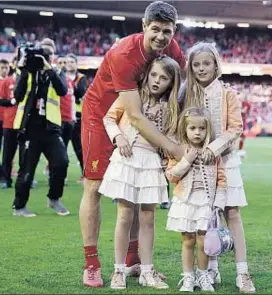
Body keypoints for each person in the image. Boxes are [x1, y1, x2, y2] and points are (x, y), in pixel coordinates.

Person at [79, 1, 186, 287]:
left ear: (174, 31)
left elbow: (183, 96)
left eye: (168, 31)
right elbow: (135, 116)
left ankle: (134, 261)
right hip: (104, 114)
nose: (161, 38)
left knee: (140, 186)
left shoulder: (173, 51)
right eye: (156, 30)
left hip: (142, 121)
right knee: (94, 184)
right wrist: (172, 149)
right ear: (143, 26)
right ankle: (92, 263)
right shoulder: (124, 54)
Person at [100, 56, 181, 289]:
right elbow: (108, 118)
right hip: (126, 159)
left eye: (164, 78)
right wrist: (118, 136)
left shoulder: (170, 107)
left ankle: (147, 271)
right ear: (147, 74)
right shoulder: (131, 95)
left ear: (171, 83)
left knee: (148, 218)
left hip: (151, 164)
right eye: (154, 75)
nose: (157, 81)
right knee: (125, 215)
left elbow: (170, 137)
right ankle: (118, 271)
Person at [182, 42, 256, 293]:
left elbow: (236, 128)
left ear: (216, 65)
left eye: (206, 63)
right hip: (197, 165)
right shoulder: (186, 94)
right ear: (190, 68)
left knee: (232, 213)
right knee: (204, 218)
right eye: (196, 64)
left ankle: (242, 273)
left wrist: (213, 149)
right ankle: (211, 268)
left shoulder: (227, 94)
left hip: (225, 159)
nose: (202, 68)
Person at [166, 107, 227, 292]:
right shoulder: (180, 151)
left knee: (203, 242)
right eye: (192, 128)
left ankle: (203, 275)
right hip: (185, 202)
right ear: (185, 129)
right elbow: (171, 175)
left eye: (201, 128)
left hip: (205, 203)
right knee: (188, 241)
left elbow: (221, 179)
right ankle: (188, 278)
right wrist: (186, 161)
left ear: (207, 130)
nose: (197, 132)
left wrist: (219, 204)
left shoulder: (213, 153)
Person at [12, 38, 70, 217]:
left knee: (62, 162)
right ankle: (19, 207)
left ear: (54, 55)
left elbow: (62, 91)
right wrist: (22, 70)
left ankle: (54, 198)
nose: (46, 57)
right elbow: (18, 95)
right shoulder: (27, 72)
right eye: (43, 53)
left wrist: (49, 70)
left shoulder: (57, 71)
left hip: (51, 128)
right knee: (27, 170)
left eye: (50, 54)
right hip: (29, 128)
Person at [0, 58, 23, 189]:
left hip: (26, 123)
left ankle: (24, 179)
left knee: (26, 154)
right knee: (8, 153)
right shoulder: (7, 81)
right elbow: (0, 101)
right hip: (10, 123)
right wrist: (13, 101)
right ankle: (6, 179)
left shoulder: (31, 81)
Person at [66, 54, 87, 181]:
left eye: (72, 62)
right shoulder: (61, 76)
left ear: (76, 64)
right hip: (63, 116)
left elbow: (81, 92)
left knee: (79, 147)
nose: (69, 64)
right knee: (60, 148)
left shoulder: (81, 78)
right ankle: (60, 175)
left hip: (77, 117)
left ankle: (84, 173)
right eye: (68, 62)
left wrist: (68, 86)